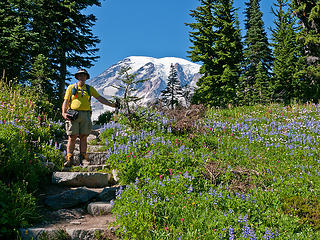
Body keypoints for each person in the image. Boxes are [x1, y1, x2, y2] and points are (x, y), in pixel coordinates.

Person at [62, 68, 116, 167]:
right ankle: (69, 158)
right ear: (77, 77)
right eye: (80, 75)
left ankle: (83, 158)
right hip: (73, 114)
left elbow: (100, 98)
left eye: (84, 75)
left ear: (86, 77)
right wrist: (64, 112)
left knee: (83, 137)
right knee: (72, 137)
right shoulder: (71, 88)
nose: (82, 77)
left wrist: (112, 105)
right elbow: (65, 101)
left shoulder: (89, 89)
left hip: (86, 115)